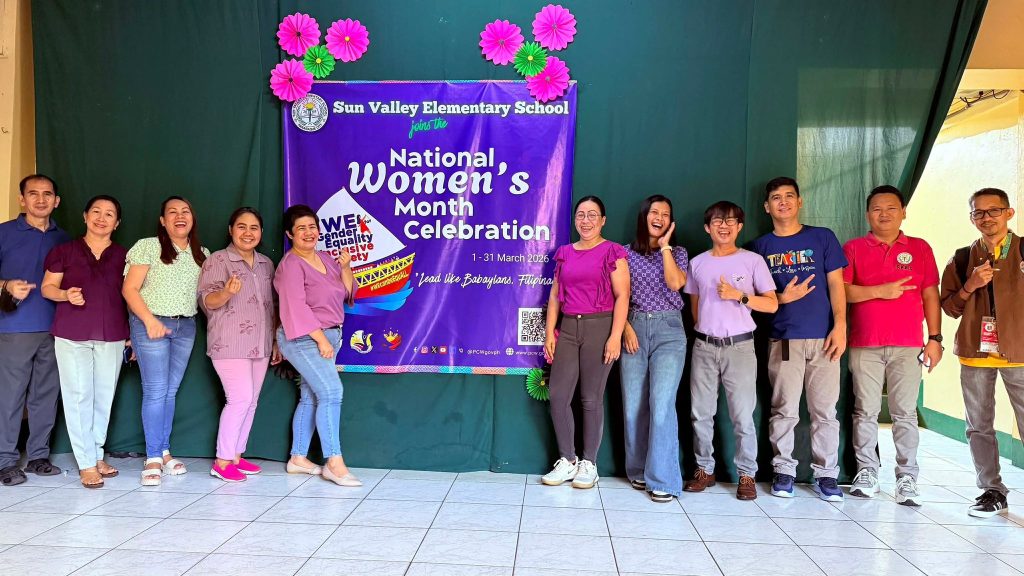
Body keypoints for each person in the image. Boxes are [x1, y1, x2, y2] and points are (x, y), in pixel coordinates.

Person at [844, 185, 942, 506]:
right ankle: (867, 471)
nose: (883, 214)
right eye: (876, 208)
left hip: (908, 344)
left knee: (905, 413)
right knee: (865, 410)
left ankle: (907, 478)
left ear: (903, 212)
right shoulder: (854, 248)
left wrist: (935, 339)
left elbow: (930, 294)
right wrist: (880, 291)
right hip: (864, 343)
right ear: (867, 214)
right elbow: (843, 291)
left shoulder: (920, 248)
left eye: (891, 208)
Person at [751, 177, 847, 501]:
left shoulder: (822, 237)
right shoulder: (760, 247)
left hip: (824, 340)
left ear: (799, 201)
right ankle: (784, 471)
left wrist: (841, 325)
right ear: (767, 207)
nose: (783, 202)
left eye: (789, 196)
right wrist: (783, 297)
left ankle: (827, 475)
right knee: (785, 409)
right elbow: (754, 298)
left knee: (825, 412)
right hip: (784, 341)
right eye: (776, 197)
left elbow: (836, 285)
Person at [683, 201, 777, 501]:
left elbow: (771, 304)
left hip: (740, 347)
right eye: (717, 221)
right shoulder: (697, 263)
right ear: (707, 227)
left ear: (739, 227)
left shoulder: (752, 261)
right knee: (700, 413)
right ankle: (704, 469)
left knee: (742, 415)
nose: (724, 226)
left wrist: (740, 296)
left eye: (730, 221)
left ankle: (747, 474)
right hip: (704, 347)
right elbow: (695, 307)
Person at [940, 187, 1024, 518]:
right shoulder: (962, 258)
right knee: (978, 426)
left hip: (1020, 353)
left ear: (1008, 213)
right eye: (979, 212)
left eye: (994, 211)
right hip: (975, 353)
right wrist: (970, 285)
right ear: (972, 218)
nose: (986, 218)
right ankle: (992, 491)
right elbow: (950, 307)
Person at [40, 195, 128, 488]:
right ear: (85, 216)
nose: (101, 218)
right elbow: (47, 288)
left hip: (112, 333)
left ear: (117, 223)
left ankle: (97, 454)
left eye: (109, 214)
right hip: (71, 333)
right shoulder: (64, 251)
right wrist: (65, 294)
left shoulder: (124, 256)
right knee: (78, 396)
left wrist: (131, 337)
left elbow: (131, 295)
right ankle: (86, 463)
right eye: (96, 212)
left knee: (104, 397)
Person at [542, 196, 629, 489]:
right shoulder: (565, 253)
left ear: (603, 220)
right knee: (558, 396)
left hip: (600, 326)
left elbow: (622, 296)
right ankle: (568, 460)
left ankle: (589, 463)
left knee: (591, 398)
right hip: (568, 327)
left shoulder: (612, 252)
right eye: (581, 214)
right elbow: (555, 296)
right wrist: (549, 333)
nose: (586, 220)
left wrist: (615, 336)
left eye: (592, 215)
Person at [123, 196, 209, 486]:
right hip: (152, 324)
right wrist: (149, 321)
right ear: (162, 220)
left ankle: (163, 451)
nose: (179, 216)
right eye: (172, 212)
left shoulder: (202, 254)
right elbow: (129, 289)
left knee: (169, 392)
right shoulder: (148, 246)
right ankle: (152, 458)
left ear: (192, 218)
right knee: (155, 390)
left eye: (185, 211)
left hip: (186, 326)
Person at [274, 204, 360, 486]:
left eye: (312, 227)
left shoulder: (324, 258)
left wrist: (345, 267)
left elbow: (347, 292)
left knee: (311, 396)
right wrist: (321, 340)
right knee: (332, 392)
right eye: (301, 228)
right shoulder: (290, 265)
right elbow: (296, 307)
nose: (308, 232)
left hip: (331, 335)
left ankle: (298, 458)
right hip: (304, 338)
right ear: (290, 234)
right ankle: (334, 462)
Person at [199, 207, 280, 482]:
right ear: (231, 230)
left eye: (254, 227)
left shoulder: (266, 264)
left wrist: (275, 340)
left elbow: (273, 306)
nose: (248, 233)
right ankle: (222, 461)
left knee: (251, 401)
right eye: (242, 227)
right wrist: (226, 292)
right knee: (240, 399)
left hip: (261, 343)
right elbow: (207, 301)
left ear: (261, 232)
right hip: (229, 343)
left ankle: (235, 455)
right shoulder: (217, 260)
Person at [0, 174, 70, 487]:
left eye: (47, 194)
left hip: (55, 328)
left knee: (46, 395)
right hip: (14, 328)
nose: (40, 200)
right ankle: (5, 461)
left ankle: (39, 456)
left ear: (56, 201)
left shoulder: (64, 238)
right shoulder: (4, 233)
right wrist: (5, 285)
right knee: (10, 396)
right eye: (33, 193)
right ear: (22, 199)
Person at [620, 195, 687, 502]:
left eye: (665, 214)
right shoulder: (623, 253)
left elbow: (675, 284)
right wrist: (625, 328)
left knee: (662, 404)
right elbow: (616, 295)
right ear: (644, 216)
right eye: (654, 212)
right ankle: (637, 470)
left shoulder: (679, 252)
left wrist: (665, 247)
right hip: (633, 326)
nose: (659, 217)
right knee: (634, 404)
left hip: (669, 330)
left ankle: (662, 479)